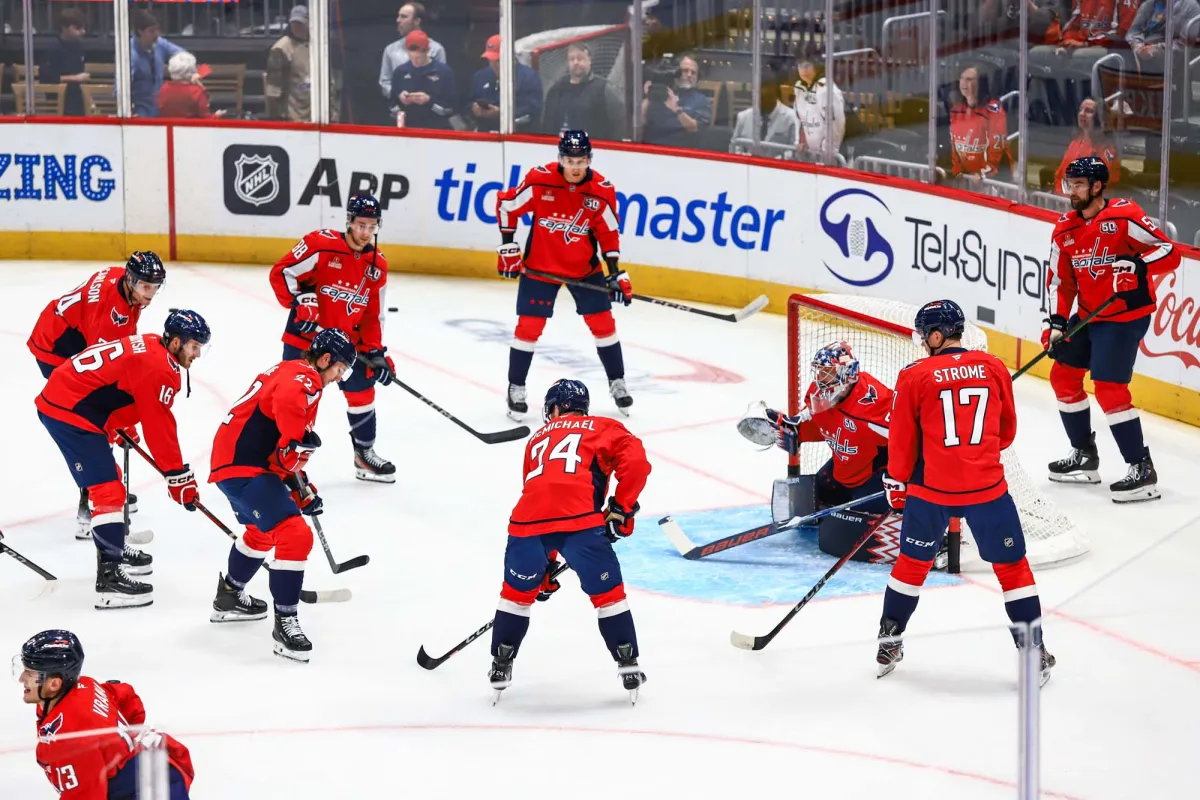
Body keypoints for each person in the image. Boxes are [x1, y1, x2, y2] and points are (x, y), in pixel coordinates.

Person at [880, 299, 1054, 685]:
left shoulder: (913, 375)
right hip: (987, 489)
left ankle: (889, 640)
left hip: (930, 491)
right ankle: (1032, 651)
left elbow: (902, 442)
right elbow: (1006, 433)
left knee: (911, 561)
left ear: (937, 335)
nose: (924, 342)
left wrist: (898, 481)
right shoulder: (993, 367)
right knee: (1012, 567)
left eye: (926, 335)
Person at [489, 379, 652, 703]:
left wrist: (543, 569)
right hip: (580, 525)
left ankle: (500, 663)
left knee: (516, 597)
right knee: (609, 597)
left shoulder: (536, 438)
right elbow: (636, 463)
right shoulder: (604, 426)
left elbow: (543, 496)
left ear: (554, 408)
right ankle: (627, 662)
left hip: (525, 527)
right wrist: (621, 509)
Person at [35, 310, 209, 609]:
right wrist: (177, 475)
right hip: (69, 411)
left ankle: (112, 545)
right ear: (177, 342)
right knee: (109, 490)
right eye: (194, 347)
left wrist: (117, 420)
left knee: (109, 477)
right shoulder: (160, 368)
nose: (197, 355)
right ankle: (110, 579)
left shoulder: (153, 345)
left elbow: (118, 381)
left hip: (74, 401)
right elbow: (159, 426)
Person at [208, 328, 357, 662]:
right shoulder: (305, 377)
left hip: (235, 462)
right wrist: (292, 447)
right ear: (325, 359)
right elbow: (288, 423)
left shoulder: (288, 368)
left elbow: (281, 446)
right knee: (295, 533)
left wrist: (299, 482)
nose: (339, 377)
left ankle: (229, 596)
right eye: (339, 369)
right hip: (245, 466)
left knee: (262, 532)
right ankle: (285, 623)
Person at [1042, 157, 1180, 501]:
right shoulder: (1064, 229)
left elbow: (1169, 251)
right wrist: (1057, 324)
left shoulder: (1124, 216)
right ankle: (1085, 455)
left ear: (1097, 186)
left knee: (1108, 388)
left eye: (1077, 185)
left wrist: (1139, 263)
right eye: (1068, 184)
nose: (1070, 191)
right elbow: (1062, 283)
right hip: (1090, 315)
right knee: (1063, 376)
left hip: (1124, 315)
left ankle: (1141, 468)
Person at [27, 252, 166, 540]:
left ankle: (103, 488)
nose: (150, 294)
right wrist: (120, 424)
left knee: (96, 418)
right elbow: (103, 368)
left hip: (62, 332)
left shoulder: (123, 283)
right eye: (145, 287)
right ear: (130, 281)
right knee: (86, 420)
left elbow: (123, 340)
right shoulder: (109, 313)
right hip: (56, 348)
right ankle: (92, 502)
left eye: (154, 287)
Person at [495, 131, 632, 418]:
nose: (575, 167)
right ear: (561, 159)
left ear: (589, 160)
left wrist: (615, 273)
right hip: (539, 269)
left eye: (581, 160)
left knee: (604, 324)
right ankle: (515, 387)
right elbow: (508, 205)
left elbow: (608, 234)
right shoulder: (540, 179)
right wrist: (508, 242)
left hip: (584, 270)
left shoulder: (601, 190)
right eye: (570, 160)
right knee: (528, 329)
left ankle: (617, 382)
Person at [268, 194, 396, 483]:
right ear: (349, 221)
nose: (365, 233)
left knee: (363, 388)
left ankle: (364, 455)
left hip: (346, 347)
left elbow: (372, 316)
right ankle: (281, 461)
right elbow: (281, 272)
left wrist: (375, 352)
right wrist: (300, 299)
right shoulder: (320, 245)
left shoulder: (377, 265)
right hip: (306, 342)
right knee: (295, 398)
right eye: (361, 225)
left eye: (371, 227)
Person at [752, 343, 898, 562]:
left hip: (876, 475)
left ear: (847, 373)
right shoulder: (819, 393)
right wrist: (792, 430)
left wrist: (901, 476)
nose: (821, 378)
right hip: (846, 468)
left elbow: (910, 438)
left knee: (852, 524)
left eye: (828, 372)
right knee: (810, 497)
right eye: (819, 371)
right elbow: (820, 423)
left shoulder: (874, 408)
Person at [17, 629, 195, 798]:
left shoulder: (72, 738)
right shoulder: (84, 686)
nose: (21, 679)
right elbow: (127, 698)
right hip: (158, 773)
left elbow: (86, 797)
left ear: (54, 684)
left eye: (29, 673)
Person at [540, 42, 623, 140]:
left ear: (589, 60)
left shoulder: (604, 89)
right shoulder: (557, 89)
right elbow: (547, 123)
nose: (576, 62)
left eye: (580, 58)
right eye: (572, 59)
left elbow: (618, 124)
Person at [948, 66, 1012, 184]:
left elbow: (997, 149)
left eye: (969, 79)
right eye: (961, 78)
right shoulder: (956, 110)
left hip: (993, 180)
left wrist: (983, 173)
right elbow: (954, 145)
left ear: (980, 84)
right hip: (968, 178)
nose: (963, 83)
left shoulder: (993, 111)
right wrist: (957, 171)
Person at [469, 34, 543, 133]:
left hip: (518, 136)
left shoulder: (529, 77)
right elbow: (467, 103)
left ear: (510, 56)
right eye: (490, 59)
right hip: (486, 136)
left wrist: (502, 114)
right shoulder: (480, 76)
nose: (494, 65)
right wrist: (473, 109)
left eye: (498, 60)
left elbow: (532, 111)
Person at [1046, 98, 1120, 194]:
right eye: (1080, 109)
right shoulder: (1075, 142)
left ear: (1100, 117)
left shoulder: (1107, 149)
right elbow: (1059, 175)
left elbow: (1095, 184)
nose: (1082, 113)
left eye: (1088, 111)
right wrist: (1061, 195)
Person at [389, 30, 457, 129]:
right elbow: (391, 107)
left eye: (419, 57)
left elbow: (451, 109)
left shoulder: (443, 72)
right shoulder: (400, 72)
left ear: (428, 50)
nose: (415, 61)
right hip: (409, 129)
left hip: (436, 130)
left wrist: (429, 100)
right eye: (412, 57)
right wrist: (400, 99)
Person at [641, 54, 713, 147]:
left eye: (693, 73)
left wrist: (676, 109)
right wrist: (647, 97)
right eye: (685, 71)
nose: (689, 75)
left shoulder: (702, 101)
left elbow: (695, 129)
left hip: (682, 149)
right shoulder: (660, 93)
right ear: (675, 72)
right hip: (652, 147)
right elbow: (639, 123)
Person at [130, 10, 191, 118]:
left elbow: (182, 53)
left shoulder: (160, 43)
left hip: (162, 108)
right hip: (140, 112)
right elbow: (120, 88)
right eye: (151, 31)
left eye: (158, 29)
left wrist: (190, 71)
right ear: (140, 31)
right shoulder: (130, 55)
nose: (157, 34)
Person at [378, 2, 446, 100]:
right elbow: (385, 82)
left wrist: (427, 98)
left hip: (429, 108)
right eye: (398, 16)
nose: (398, 20)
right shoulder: (390, 50)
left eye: (403, 17)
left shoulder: (436, 49)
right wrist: (398, 96)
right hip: (400, 109)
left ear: (417, 21)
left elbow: (442, 82)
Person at [730, 79, 801, 159]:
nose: (762, 103)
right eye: (759, 99)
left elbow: (795, 151)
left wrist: (774, 162)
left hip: (779, 168)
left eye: (766, 98)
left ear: (775, 95)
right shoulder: (743, 117)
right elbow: (734, 147)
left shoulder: (792, 118)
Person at [38, 8, 89, 117]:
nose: (83, 32)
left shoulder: (79, 47)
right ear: (64, 28)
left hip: (77, 100)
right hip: (57, 103)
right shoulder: (53, 49)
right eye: (77, 28)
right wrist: (74, 78)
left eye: (83, 28)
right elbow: (47, 78)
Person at [265, 5, 311, 122]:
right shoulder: (281, 49)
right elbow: (273, 88)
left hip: (315, 109)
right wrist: (275, 118)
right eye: (294, 23)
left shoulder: (319, 43)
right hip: (293, 114)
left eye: (300, 23)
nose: (296, 27)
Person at [1127, 0, 1200, 73]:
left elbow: (1183, 45)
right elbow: (1134, 31)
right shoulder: (1149, 4)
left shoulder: (1192, 7)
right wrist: (1138, 48)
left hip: (1167, 60)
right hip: (1138, 53)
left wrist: (1153, 50)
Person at [793, 60, 846, 158]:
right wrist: (800, 141)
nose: (803, 70)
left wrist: (828, 151)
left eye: (808, 65)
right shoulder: (799, 88)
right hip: (810, 155)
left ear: (817, 66)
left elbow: (835, 124)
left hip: (829, 156)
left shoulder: (827, 90)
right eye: (800, 65)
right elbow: (799, 118)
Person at [157, 52, 225, 119]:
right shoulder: (196, 92)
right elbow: (206, 120)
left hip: (168, 128)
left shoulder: (164, 88)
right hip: (191, 129)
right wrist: (216, 116)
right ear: (192, 70)